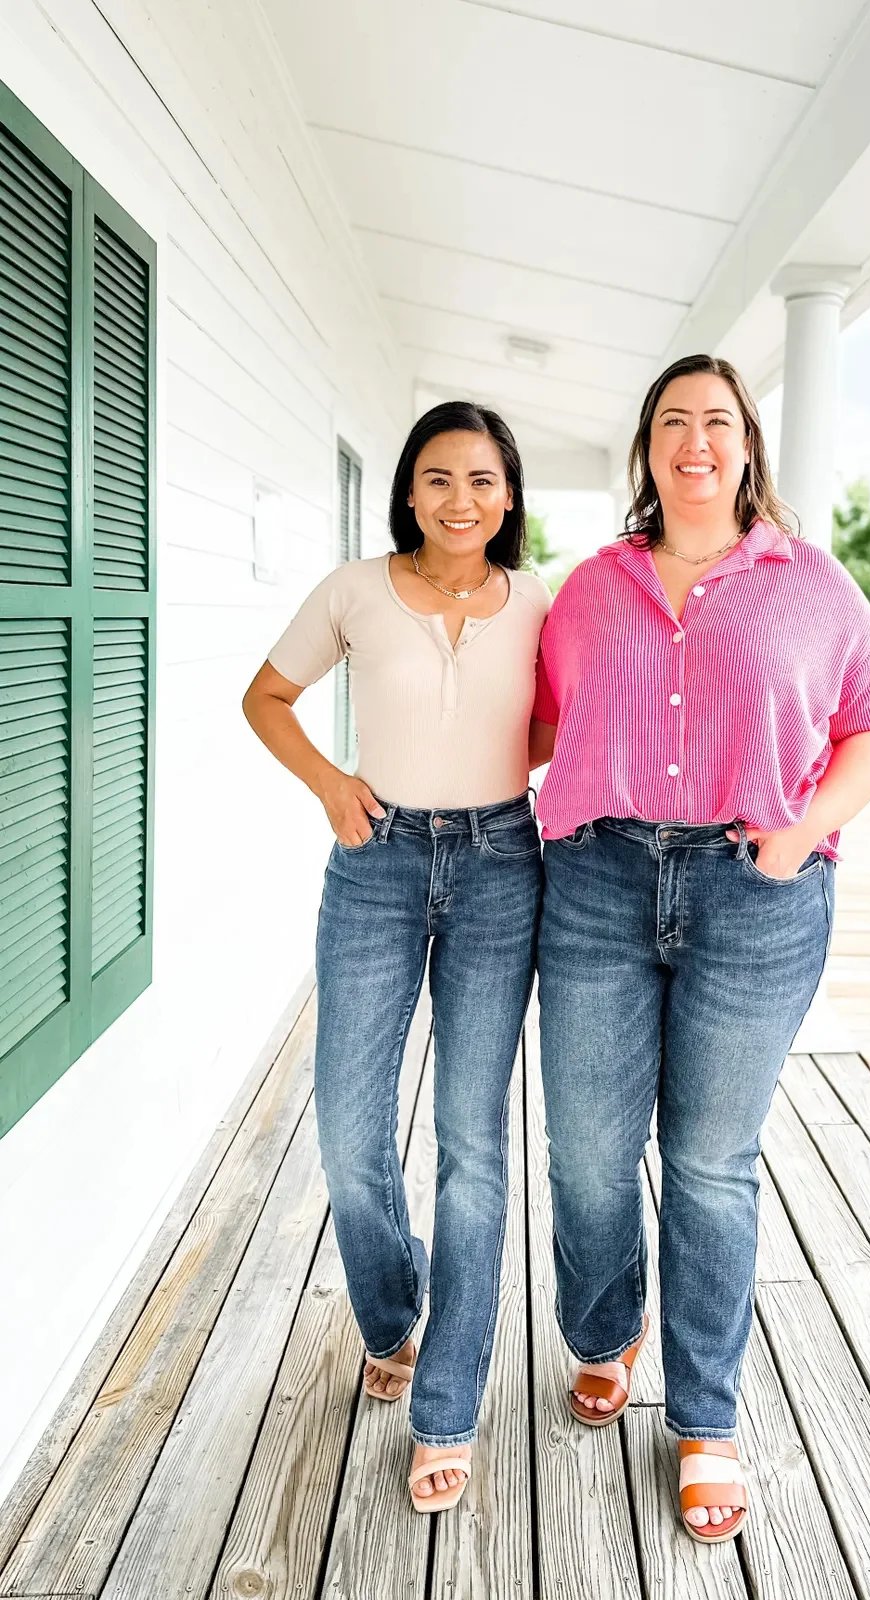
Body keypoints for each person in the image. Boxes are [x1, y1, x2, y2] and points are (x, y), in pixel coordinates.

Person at [531, 353, 870, 1544]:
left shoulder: (814, 585)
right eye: (671, 421)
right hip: (596, 878)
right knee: (589, 1147)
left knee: (707, 1158)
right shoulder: (590, 586)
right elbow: (539, 721)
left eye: (717, 421)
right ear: (646, 448)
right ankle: (604, 1334)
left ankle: (705, 1415)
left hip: (756, 890)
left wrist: (797, 837)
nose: (694, 439)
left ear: (748, 446)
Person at [242, 401, 550, 1513]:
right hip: (374, 860)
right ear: (407, 492)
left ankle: (449, 1403)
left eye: (480, 479)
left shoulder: (542, 603)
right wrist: (332, 783)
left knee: (474, 1140)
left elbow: (557, 722)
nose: (458, 498)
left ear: (508, 494)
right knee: (346, 1121)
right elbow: (264, 697)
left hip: (504, 863)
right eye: (436, 479)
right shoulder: (354, 591)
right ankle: (390, 1314)